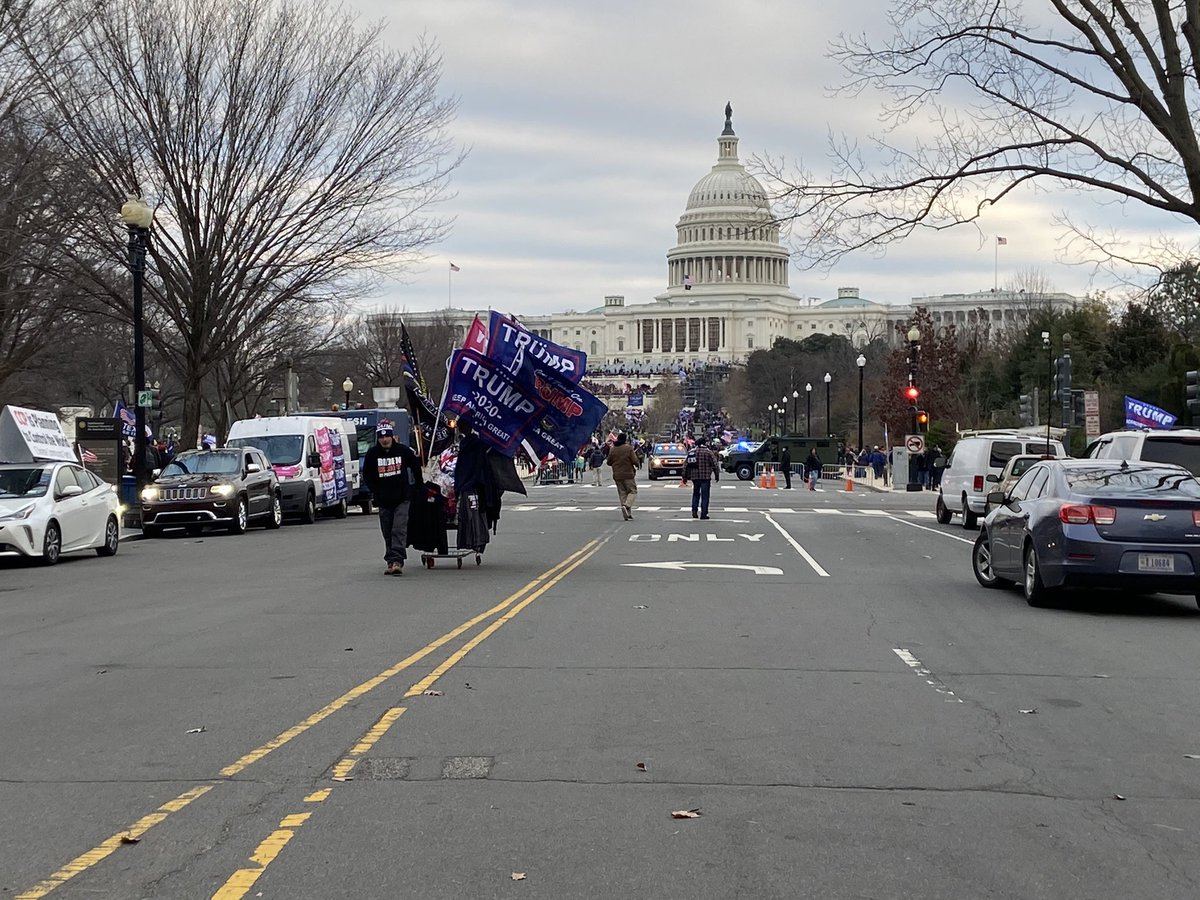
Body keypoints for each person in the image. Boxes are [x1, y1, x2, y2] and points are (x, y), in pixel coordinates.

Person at [361, 419, 420, 575]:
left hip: (402, 497)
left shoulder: (402, 451)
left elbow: (415, 466)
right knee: (387, 531)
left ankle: (397, 561)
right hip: (384, 500)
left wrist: (418, 487)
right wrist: (375, 490)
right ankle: (390, 560)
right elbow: (367, 475)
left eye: (387, 436)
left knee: (398, 529)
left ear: (392, 436)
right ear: (378, 438)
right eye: (381, 436)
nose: (385, 439)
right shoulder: (372, 454)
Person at [605, 432, 642, 520]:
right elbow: (634, 460)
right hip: (628, 474)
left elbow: (609, 462)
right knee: (632, 491)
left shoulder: (613, 449)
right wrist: (637, 464)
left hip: (617, 474)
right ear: (625, 439)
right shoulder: (628, 448)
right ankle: (627, 506)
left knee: (622, 493)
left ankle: (627, 513)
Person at [685, 438, 719, 519]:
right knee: (705, 496)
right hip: (705, 477)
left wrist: (685, 476)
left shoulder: (692, 452)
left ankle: (694, 510)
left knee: (696, 494)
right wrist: (716, 475)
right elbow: (715, 465)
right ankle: (704, 513)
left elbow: (686, 465)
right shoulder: (708, 452)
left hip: (695, 477)